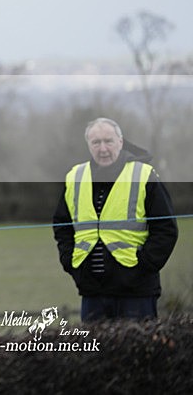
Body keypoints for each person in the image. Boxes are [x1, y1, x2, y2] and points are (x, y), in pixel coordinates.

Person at [53, 117, 178, 321]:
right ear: (88, 146)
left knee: (138, 353)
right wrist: (70, 262)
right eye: (96, 142)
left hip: (136, 293)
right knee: (95, 353)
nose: (103, 148)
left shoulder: (144, 175)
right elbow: (62, 226)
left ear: (120, 142)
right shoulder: (75, 176)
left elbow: (166, 229)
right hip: (92, 291)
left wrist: (143, 267)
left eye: (108, 141)